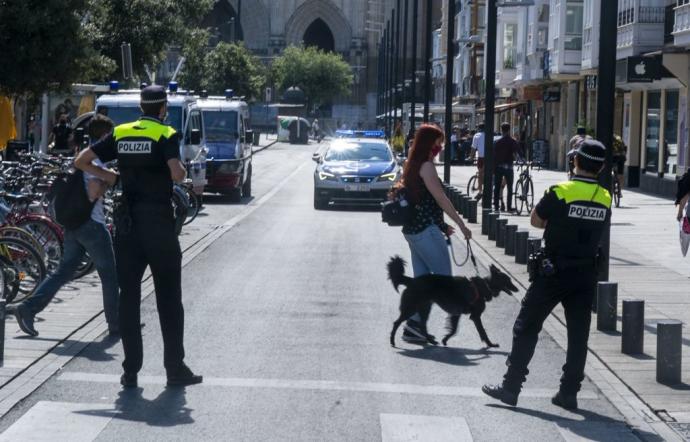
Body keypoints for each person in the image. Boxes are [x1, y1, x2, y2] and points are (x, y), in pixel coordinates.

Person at [75, 85, 202, 389]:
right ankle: (174, 368)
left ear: (140, 107)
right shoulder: (165, 133)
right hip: (158, 223)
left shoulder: (121, 133)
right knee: (169, 297)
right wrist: (181, 168)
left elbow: (81, 159)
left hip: (127, 225)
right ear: (163, 108)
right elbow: (176, 174)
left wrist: (112, 177)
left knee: (128, 297)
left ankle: (130, 371)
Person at [482, 140, 612, 411]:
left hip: (553, 272)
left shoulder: (561, 191)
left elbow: (536, 220)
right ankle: (569, 392)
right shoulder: (605, 197)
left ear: (575, 161)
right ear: (599, 168)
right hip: (585, 273)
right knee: (578, 336)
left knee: (526, 326)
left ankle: (511, 387)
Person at [11, 115, 119, 337]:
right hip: (92, 226)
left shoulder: (87, 160)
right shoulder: (95, 163)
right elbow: (93, 192)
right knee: (109, 275)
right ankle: (116, 324)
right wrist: (110, 179)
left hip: (75, 224)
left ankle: (28, 308)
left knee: (63, 272)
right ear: (105, 136)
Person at [392, 124, 472, 344]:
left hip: (415, 231)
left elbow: (423, 201)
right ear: (429, 144)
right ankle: (450, 323)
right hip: (426, 232)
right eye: (438, 143)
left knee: (423, 284)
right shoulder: (427, 167)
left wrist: (442, 225)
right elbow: (440, 199)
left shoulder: (411, 164)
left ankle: (414, 326)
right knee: (444, 283)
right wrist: (460, 224)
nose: (440, 147)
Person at [493, 123, 521, 212]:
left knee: (497, 187)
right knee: (510, 187)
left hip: (498, 167)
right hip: (509, 167)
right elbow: (515, 154)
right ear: (509, 130)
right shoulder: (512, 141)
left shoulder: (497, 141)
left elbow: (494, 154)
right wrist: (520, 160)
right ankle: (509, 207)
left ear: (501, 130)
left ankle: (496, 206)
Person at [471, 123, 486, 198]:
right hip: (491, 157)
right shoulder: (490, 135)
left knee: (480, 174)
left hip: (481, 157)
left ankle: (480, 191)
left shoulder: (476, 136)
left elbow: (473, 148)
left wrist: (471, 157)